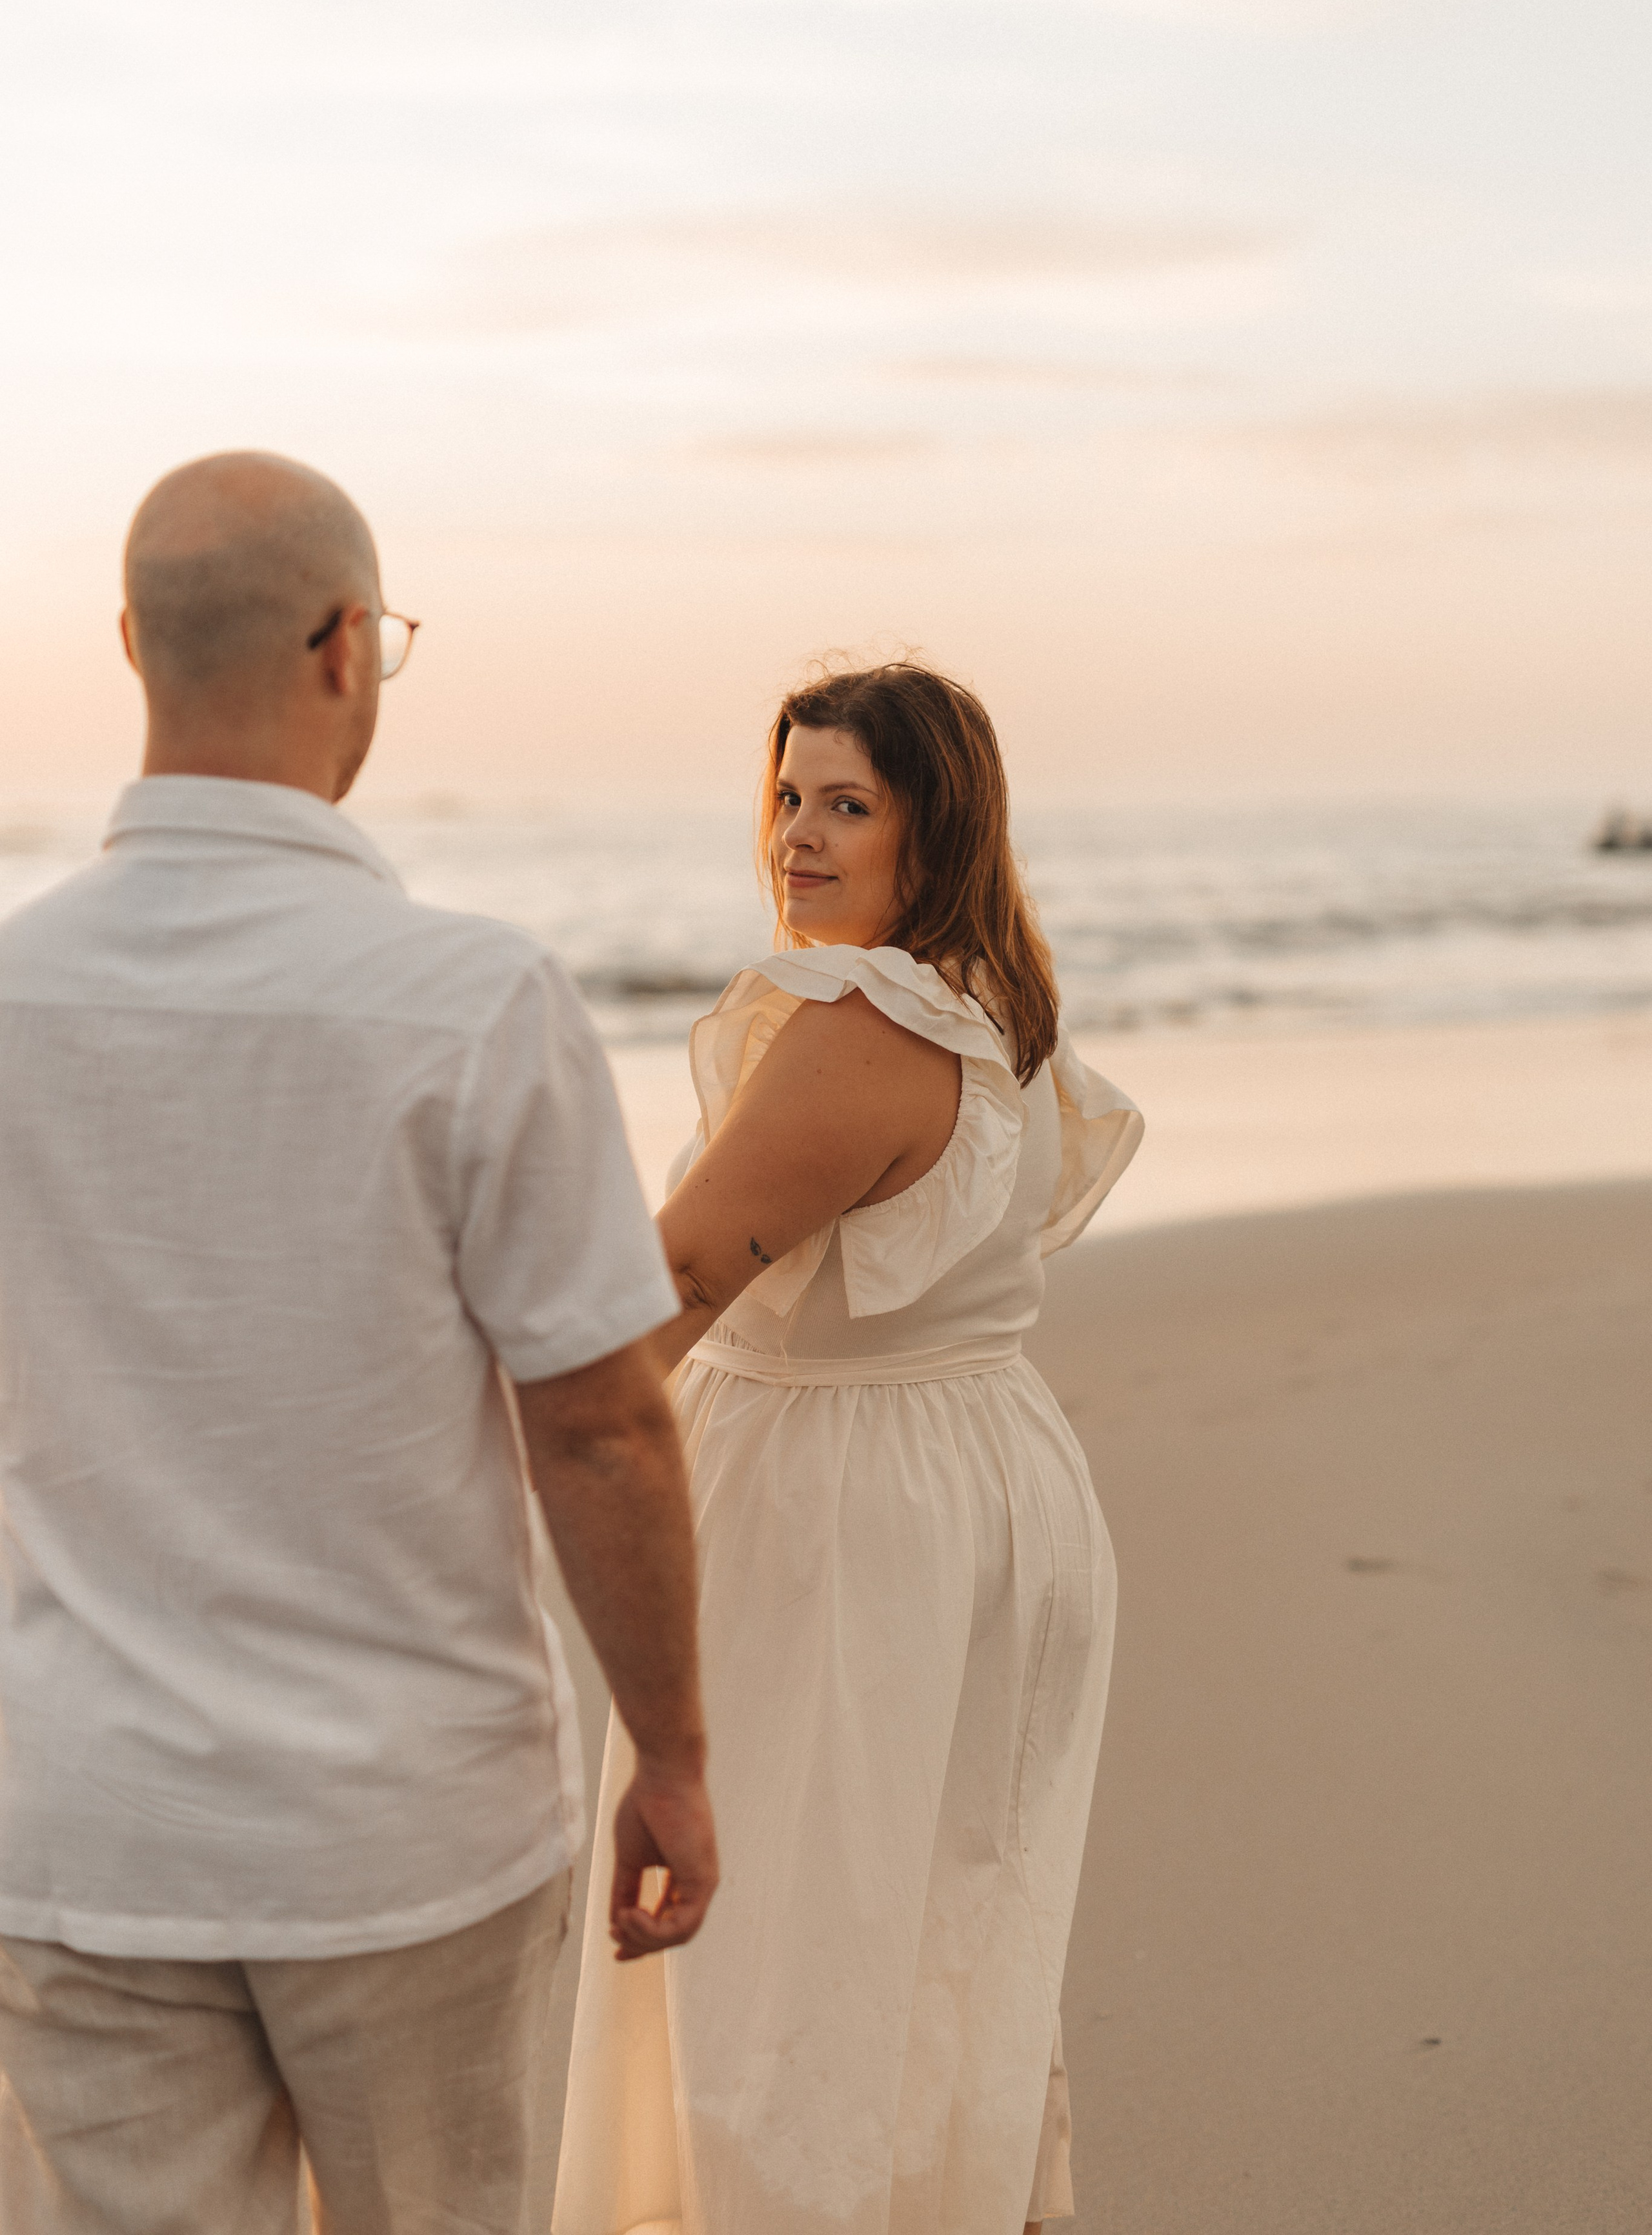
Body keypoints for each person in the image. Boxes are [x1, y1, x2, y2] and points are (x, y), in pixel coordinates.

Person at [0, 452, 717, 2235]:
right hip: (404, 1826)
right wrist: (675, 1758)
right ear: (345, 650)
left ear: (129, 645)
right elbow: (604, 1428)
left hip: (85, 1820)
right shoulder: (471, 1002)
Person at [554, 663, 1143, 2235]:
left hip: (841, 1510)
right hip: (978, 1483)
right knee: (932, 1937)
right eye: (787, 797)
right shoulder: (993, 1005)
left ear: (929, 828)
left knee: (787, 1976)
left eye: (845, 804)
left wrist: (483, 1451)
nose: (796, 838)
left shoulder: (858, 1020)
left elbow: (673, 1286)